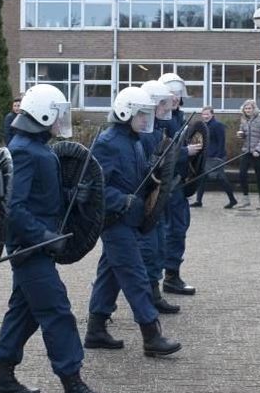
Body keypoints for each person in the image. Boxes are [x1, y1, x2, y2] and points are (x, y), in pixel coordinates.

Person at [0, 84, 112, 393]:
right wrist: (44, 236)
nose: (60, 121)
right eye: (57, 115)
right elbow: (14, 209)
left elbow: (41, 198)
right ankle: (74, 388)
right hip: (31, 251)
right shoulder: (26, 150)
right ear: (43, 114)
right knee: (57, 313)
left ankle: (2, 377)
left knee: (24, 312)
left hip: (37, 247)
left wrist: (74, 194)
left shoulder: (35, 146)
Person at [84, 87, 181, 358]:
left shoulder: (134, 140)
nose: (145, 119)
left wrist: (154, 177)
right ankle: (151, 335)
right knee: (134, 274)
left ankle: (96, 329)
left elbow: (137, 177)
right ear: (126, 112)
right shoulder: (107, 141)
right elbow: (95, 185)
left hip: (129, 219)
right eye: (141, 114)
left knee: (110, 273)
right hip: (115, 220)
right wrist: (122, 201)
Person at [137, 80, 182, 314]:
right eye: (164, 104)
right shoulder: (143, 135)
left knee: (157, 247)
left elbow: (174, 141)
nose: (167, 108)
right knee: (145, 251)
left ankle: (153, 295)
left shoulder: (155, 130)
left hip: (158, 199)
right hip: (144, 203)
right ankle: (146, 300)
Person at [158, 72, 201, 297]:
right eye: (171, 94)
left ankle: (172, 275)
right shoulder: (160, 118)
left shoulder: (177, 117)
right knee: (167, 230)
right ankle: (160, 279)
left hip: (178, 184)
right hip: (165, 185)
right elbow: (161, 150)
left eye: (178, 95)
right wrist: (186, 152)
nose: (175, 98)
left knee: (178, 228)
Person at [194, 106, 240, 210]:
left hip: (216, 156)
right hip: (206, 156)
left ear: (212, 114)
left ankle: (232, 199)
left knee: (221, 178)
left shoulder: (217, 125)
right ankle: (198, 200)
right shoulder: (203, 126)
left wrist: (218, 157)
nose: (205, 116)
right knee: (202, 178)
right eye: (203, 114)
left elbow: (221, 142)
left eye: (207, 114)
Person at [236, 99, 260, 210]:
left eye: (249, 108)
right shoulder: (244, 120)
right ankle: (246, 199)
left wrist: (258, 150)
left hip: (258, 153)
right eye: (246, 109)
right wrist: (241, 135)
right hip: (246, 151)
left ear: (254, 109)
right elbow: (244, 134)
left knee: (258, 176)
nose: (247, 110)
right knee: (241, 174)